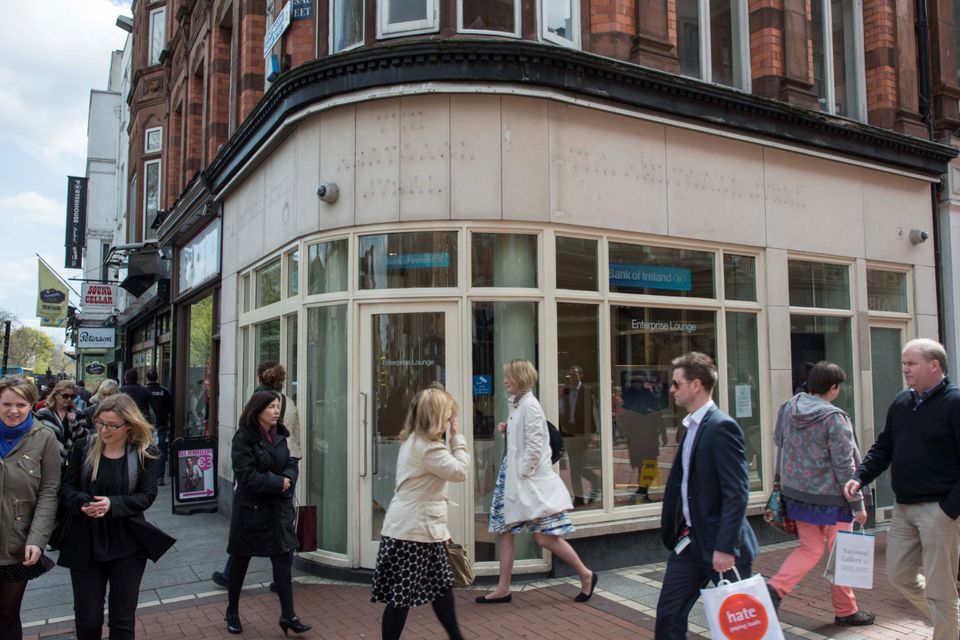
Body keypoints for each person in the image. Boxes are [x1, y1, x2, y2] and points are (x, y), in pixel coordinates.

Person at [844, 338, 960, 640]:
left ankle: (948, 630)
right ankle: (952, 622)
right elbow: (884, 447)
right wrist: (861, 476)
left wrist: (950, 509)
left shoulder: (955, 402)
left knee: (940, 587)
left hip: (940, 509)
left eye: (911, 363)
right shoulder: (902, 402)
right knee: (898, 575)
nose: (905, 369)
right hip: (904, 506)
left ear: (935, 365)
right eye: (904, 364)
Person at [654, 352, 758, 639]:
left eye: (676, 384)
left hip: (721, 546)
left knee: (743, 626)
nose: (672, 390)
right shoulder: (691, 426)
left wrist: (725, 547)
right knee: (668, 616)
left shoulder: (721, 427)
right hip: (688, 544)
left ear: (696, 385)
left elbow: (736, 493)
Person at [476, 359, 597, 604]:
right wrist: (507, 430)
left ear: (520, 378)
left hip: (526, 481)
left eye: (509, 376)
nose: (505, 380)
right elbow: (525, 437)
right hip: (512, 477)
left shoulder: (530, 405)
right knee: (503, 530)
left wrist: (522, 471)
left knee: (545, 537)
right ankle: (503, 588)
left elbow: (534, 446)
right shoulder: (519, 404)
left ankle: (586, 574)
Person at [768, 362, 875, 626]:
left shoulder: (789, 407)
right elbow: (844, 465)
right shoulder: (834, 417)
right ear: (833, 387)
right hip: (834, 499)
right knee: (841, 555)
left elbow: (779, 441)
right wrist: (858, 503)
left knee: (810, 549)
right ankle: (846, 610)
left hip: (799, 495)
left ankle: (774, 590)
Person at [57, 394, 163, 640]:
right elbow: (66, 488)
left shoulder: (144, 452)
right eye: (100, 423)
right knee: (88, 619)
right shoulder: (85, 447)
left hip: (127, 543)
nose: (104, 430)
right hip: (85, 541)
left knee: (122, 620)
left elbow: (146, 496)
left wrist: (112, 505)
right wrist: (83, 503)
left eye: (112, 425)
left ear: (129, 424)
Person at [371, 387, 470, 640]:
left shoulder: (415, 440)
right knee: (401, 597)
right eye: (449, 416)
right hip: (413, 533)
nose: (452, 421)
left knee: (441, 587)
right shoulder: (429, 448)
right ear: (437, 416)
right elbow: (460, 472)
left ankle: (456, 636)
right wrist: (458, 440)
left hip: (418, 529)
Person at [224, 391, 311, 636]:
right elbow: (246, 475)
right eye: (271, 407)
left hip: (277, 509)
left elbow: (291, 462)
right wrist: (278, 483)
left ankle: (288, 614)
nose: (276, 411)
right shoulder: (243, 438)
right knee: (241, 560)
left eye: (277, 406)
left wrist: (288, 479)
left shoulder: (281, 434)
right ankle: (232, 611)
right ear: (258, 409)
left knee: (282, 560)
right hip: (251, 510)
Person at [213, 361, 302, 589]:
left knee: (248, 526)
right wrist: (291, 471)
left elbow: (248, 436)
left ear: (259, 377)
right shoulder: (289, 402)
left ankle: (230, 574)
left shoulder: (259, 401)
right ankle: (282, 578)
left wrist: (239, 478)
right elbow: (296, 440)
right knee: (283, 523)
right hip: (286, 465)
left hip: (264, 466)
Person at [0, 376, 60, 640]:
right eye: (6, 404)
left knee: (7, 616)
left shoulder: (44, 437)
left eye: (21, 405)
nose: (13, 411)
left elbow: (48, 492)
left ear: (32, 405)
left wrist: (37, 539)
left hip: (18, 544)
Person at [36, 379, 84, 469]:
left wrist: (75, 423)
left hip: (72, 463)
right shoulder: (43, 414)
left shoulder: (78, 413)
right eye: (65, 396)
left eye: (72, 396)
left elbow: (85, 438)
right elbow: (35, 437)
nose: (69, 399)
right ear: (56, 395)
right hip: (47, 461)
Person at [145, 370, 173, 486]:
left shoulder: (144, 390)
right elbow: (170, 407)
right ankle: (160, 476)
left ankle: (147, 476)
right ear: (157, 378)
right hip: (161, 425)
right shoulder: (164, 391)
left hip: (147, 426)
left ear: (147, 378)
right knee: (161, 450)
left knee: (146, 450)